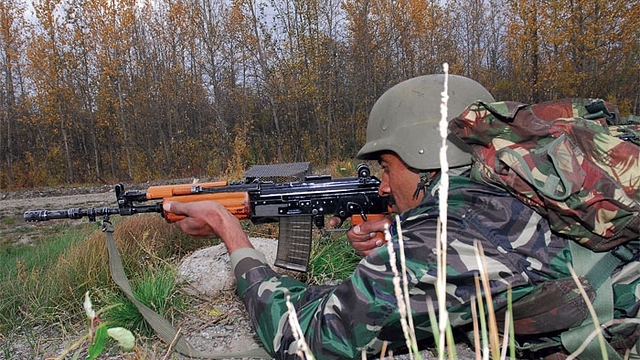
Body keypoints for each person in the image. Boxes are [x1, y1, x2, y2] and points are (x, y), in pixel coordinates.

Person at [163, 75, 639, 359]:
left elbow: (305, 340)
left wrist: (231, 234)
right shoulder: (523, 180)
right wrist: (399, 232)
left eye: (387, 167)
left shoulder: (441, 242)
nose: (384, 187)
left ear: (420, 153)